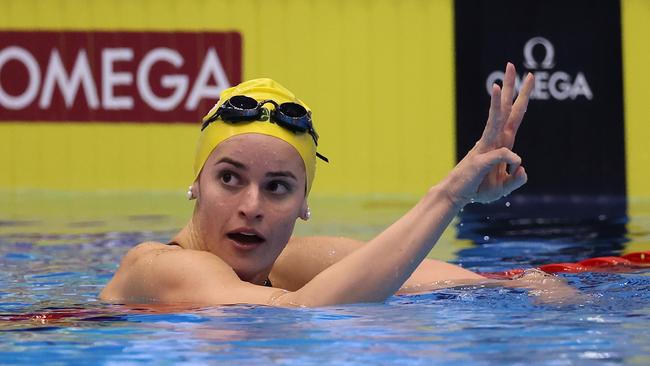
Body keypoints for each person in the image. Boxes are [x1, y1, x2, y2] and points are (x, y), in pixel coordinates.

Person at [101, 63, 568, 307]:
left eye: (278, 187)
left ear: (304, 205)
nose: (252, 206)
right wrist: (451, 195)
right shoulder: (161, 267)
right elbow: (296, 310)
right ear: (195, 184)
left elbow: (425, 278)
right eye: (229, 178)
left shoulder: (282, 261)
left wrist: (526, 283)